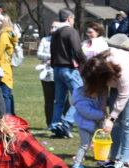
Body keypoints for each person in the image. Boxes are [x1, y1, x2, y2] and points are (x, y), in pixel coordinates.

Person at [82, 34, 129, 168]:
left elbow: (124, 94)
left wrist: (112, 118)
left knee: (128, 122)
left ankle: (125, 160)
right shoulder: (97, 64)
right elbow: (103, 88)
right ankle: (114, 159)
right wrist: (103, 111)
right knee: (116, 123)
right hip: (116, 82)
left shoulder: (120, 68)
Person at [49, 8, 86, 139]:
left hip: (57, 68)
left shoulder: (55, 33)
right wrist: (85, 63)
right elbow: (77, 50)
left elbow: (52, 52)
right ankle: (66, 123)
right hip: (69, 69)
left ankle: (55, 126)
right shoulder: (71, 31)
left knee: (59, 101)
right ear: (69, 18)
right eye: (73, 19)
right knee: (80, 97)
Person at [70, 74, 107, 168]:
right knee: (84, 145)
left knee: (99, 143)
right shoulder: (81, 101)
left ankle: (101, 159)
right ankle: (77, 164)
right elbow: (89, 113)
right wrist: (102, 115)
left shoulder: (91, 96)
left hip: (92, 125)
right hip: (84, 126)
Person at [37, 22, 56, 129]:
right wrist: (51, 57)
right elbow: (39, 54)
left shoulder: (63, 40)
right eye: (51, 26)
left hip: (59, 73)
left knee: (62, 100)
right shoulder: (45, 40)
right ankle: (49, 123)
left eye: (55, 27)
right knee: (49, 100)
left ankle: (64, 122)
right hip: (47, 74)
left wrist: (54, 58)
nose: (53, 29)